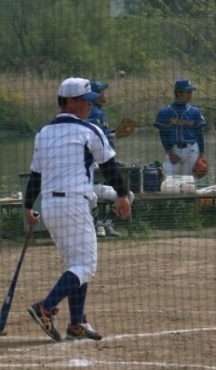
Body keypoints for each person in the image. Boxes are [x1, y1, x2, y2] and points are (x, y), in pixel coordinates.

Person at [24, 78, 131, 343]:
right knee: (85, 266)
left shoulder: (43, 132)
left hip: (49, 206)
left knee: (77, 265)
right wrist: (122, 195)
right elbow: (110, 167)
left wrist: (27, 207)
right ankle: (45, 307)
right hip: (73, 204)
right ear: (71, 102)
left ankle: (76, 324)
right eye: (86, 101)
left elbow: (35, 176)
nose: (91, 105)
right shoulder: (89, 130)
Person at [87, 81, 125, 238]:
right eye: (103, 91)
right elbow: (94, 136)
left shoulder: (99, 112)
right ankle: (97, 227)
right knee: (92, 196)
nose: (106, 93)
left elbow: (103, 133)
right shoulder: (93, 112)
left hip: (101, 169)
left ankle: (107, 223)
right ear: (95, 95)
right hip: (91, 173)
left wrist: (116, 132)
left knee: (127, 194)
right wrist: (113, 135)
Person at [153, 79, 207, 177]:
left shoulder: (194, 111)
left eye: (191, 92)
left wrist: (201, 155)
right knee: (166, 179)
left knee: (190, 181)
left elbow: (199, 134)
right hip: (174, 149)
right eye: (187, 92)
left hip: (192, 149)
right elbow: (163, 134)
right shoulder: (165, 111)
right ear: (178, 92)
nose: (190, 94)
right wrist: (169, 152)